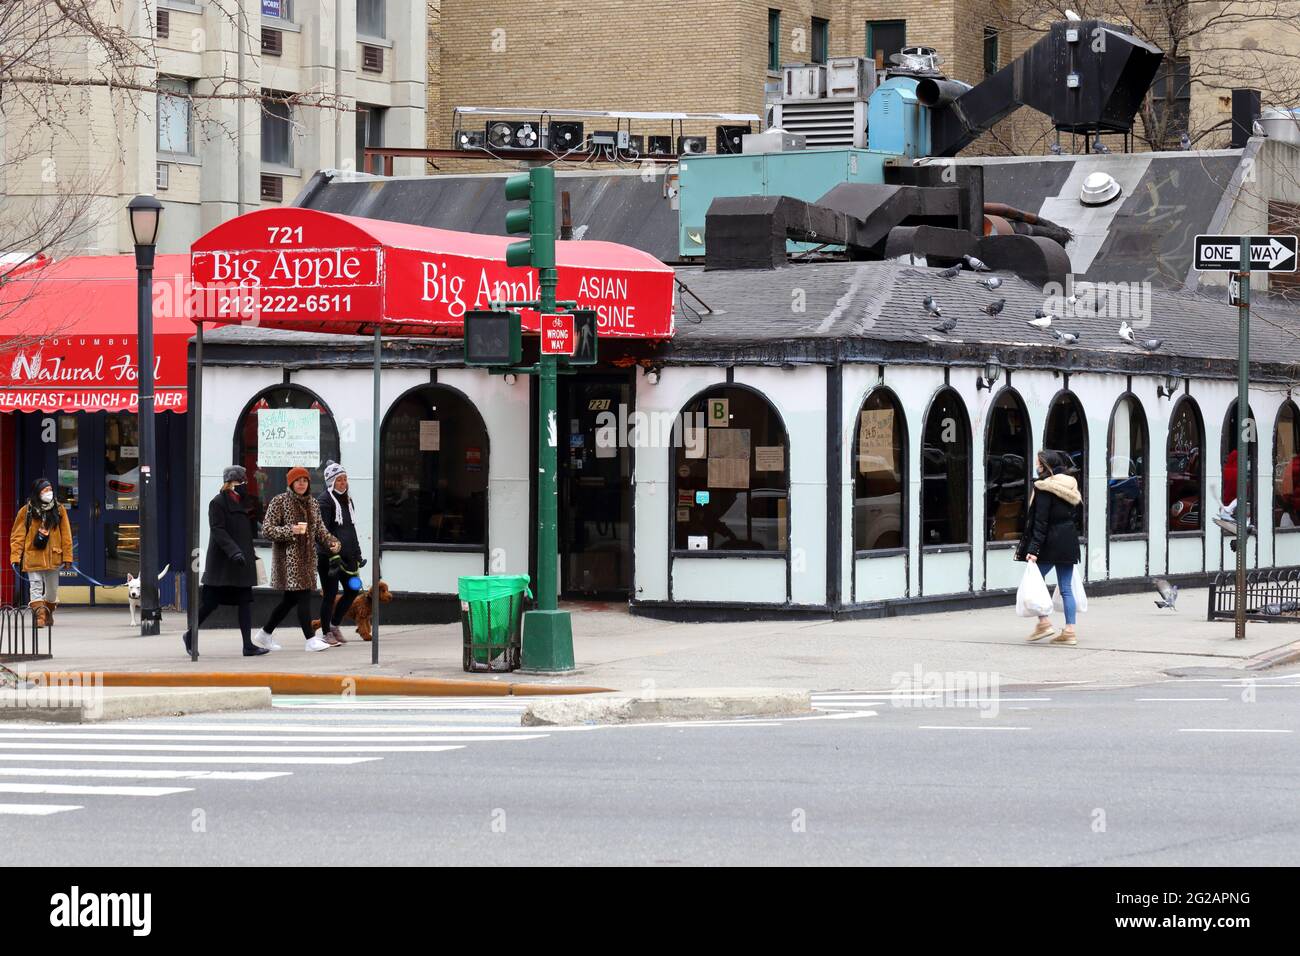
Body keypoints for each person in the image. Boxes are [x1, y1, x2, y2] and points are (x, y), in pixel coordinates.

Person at [254, 467, 340, 652]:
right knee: (303, 598)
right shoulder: (280, 501)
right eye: (298, 480)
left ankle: (265, 633)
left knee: (290, 601)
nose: (302, 483)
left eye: (305, 480)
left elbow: (320, 531)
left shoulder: (313, 504)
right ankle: (310, 639)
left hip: (308, 561)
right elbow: (267, 530)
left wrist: (333, 543)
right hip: (288, 562)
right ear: (291, 483)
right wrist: (289, 530)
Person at [181, 466, 265, 658]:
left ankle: (248, 645)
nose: (245, 484)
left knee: (245, 601)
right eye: (242, 481)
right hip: (223, 563)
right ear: (232, 483)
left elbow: (252, 527)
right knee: (210, 603)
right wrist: (234, 551)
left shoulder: (246, 502)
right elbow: (218, 530)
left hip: (242, 561)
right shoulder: (218, 502)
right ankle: (190, 635)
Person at [1017, 450, 1082, 646]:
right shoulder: (1071, 484)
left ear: (1047, 466)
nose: (1036, 465)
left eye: (1039, 463)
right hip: (1069, 540)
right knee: (1066, 588)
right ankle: (1069, 631)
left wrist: (1033, 549)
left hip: (1049, 542)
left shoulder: (1044, 487)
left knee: (1033, 583)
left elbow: (1040, 521)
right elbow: (1076, 515)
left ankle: (1044, 622)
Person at [9, 479, 74, 627]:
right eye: (45, 490)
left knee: (51, 591)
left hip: (54, 556)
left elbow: (66, 535)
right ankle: (39, 616)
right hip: (33, 556)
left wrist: (68, 557)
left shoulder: (59, 509)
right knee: (36, 587)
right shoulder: (26, 511)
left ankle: (49, 612)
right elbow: (17, 536)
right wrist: (15, 556)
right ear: (37, 492)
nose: (48, 493)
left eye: (50, 489)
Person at [317, 460, 364, 644]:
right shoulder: (325, 501)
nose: (343, 483)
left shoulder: (347, 500)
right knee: (330, 594)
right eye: (339, 480)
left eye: (345, 479)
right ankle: (326, 631)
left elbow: (351, 529)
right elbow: (322, 532)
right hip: (330, 557)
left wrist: (358, 553)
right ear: (331, 482)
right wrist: (333, 554)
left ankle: (335, 624)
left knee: (353, 589)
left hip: (349, 555)